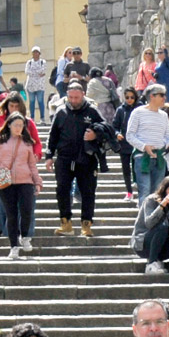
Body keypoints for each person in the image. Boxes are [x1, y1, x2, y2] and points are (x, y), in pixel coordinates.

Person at [45, 83, 113, 238]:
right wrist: (49, 156)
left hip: (86, 159)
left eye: (77, 97)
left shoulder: (92, 111)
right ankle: (65, 223)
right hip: (64, 158)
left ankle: (86, 225)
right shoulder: (61, 112)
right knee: (62, 189)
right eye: (71, 97)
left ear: (83, 94)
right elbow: (53, 135)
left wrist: (95, 134)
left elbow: (106, 128)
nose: (74, 101)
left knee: (88, 192)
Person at [0, 112, 43, 260]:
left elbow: (32, 165)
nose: (18, 128)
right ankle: (14, 246)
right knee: (11, 214)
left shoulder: (27, 142)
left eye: (21, 126)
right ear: (8, 125)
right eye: (16, 125)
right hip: (6, 182)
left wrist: (38, 181)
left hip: (25, 181)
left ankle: (25, 236)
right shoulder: (0, 142)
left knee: (27, 211)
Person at [127, 84, 169, 203]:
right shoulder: (137, 112)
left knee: (157, 193)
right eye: (162, 95)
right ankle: (144, 220)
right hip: (142, 157)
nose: (165, 98)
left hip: (159, 158)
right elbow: (130, 135)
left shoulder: (163, 115)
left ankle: (153, 220)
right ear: (152, 96)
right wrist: (144, 147)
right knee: (145, 191)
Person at [112, 87, 140, 202]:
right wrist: (117, 133)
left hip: (137, 144)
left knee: (137, 169)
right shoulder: (120, 110)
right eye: (127, 97)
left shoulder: (140, 108)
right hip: (124, 144)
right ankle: (129, 191)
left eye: (132, 97)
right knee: (126, 169)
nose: (129, 99)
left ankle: (139, 190)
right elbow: (114, 126)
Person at [24, 46, 48, 124]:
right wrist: (38, 73)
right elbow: (27, 72)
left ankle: (42, 118)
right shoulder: (29, 62)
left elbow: (43, 70)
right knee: (32, 102)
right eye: (34, 52)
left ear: (39, 53)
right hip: (30, 86)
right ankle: (32, 118)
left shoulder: (42, 62)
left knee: (40, 101)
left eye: (37, 52)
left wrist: (33, 73)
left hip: (40, 86)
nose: (35, 54)